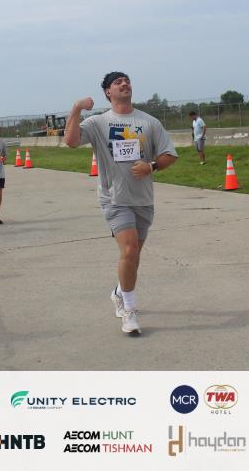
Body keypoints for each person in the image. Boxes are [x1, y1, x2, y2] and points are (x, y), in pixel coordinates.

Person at [64, 71, 177, 335]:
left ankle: (118, 292)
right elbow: (71, 141)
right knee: (129, 249)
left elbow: (170, 154)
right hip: (114, 198)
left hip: (143, 199)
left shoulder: (148, 122)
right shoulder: (98, 122)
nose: (124, 84)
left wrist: (151, 166)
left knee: (133, 256)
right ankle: (129, 310)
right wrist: (77, 108)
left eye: (127, 81)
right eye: (118, 82)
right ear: (108, 92)